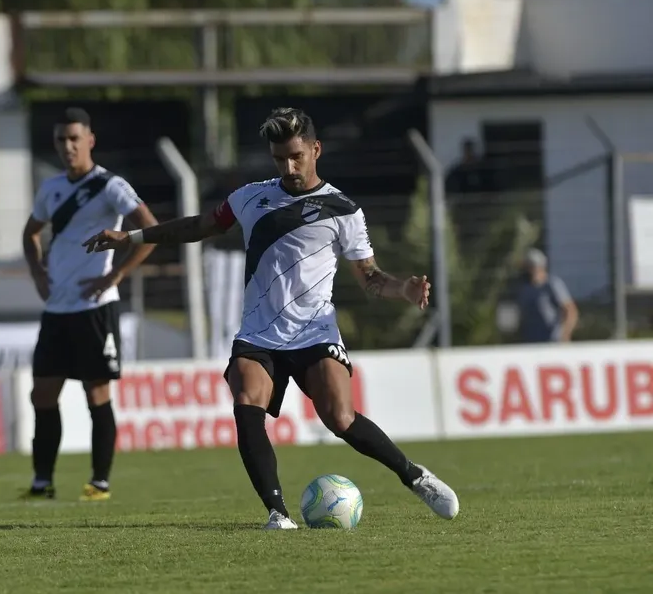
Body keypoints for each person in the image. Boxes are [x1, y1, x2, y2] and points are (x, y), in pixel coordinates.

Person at [83, 107, 459, 529]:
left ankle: (414, 476)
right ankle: (277, 513)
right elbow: (200, 226)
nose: (289, 166)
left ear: (316, 149)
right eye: (280, 158)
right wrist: (132, 236)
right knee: (246, 401)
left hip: (315, 331)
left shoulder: (343, 210)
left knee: (340, 418)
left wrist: (402, 290)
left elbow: (370, 278)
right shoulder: (250, 198)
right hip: (259, 335)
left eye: (297, 156)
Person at [21, 107, 159, 502]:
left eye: (74, 139)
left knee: (96, 393)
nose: (68, 146)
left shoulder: (110, 187)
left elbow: (148, 231)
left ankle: (99, 482)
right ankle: (41, 482)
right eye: (61, 140)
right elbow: (30, 233)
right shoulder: (50, 189)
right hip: (57, 311)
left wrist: (114, 275)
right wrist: (38, 273)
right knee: (42, 395)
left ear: (90, 141)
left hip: (95, 309)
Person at [516, 248, 578, 343]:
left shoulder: (553, 284)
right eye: (529, 267)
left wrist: (565, 334)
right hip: (530, 342)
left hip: (552, 341)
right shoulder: (524, 288)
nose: (531, 271)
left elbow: (570, 310)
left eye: (533, 267)